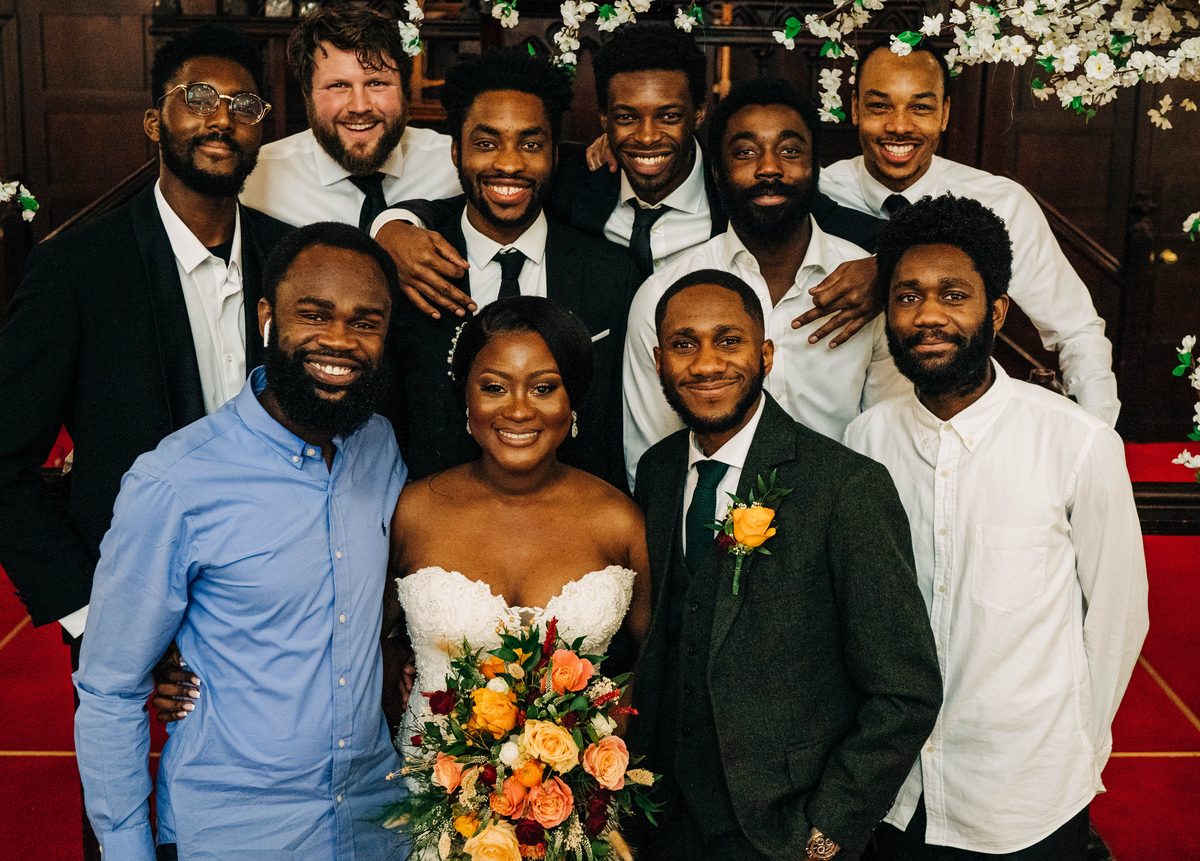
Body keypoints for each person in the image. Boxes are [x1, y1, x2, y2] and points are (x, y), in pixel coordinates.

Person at [0, 26, 289, 855]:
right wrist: (99, 620)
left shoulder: (288, 257)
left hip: (269, 613)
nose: (221, 118)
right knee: (127, 827)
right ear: (154, 122)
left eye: (243, 104)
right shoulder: (78, 269)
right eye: (198, 98)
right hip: (129, 608)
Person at [74, 222, 407, 860]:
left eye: (365, 322)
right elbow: (111, 688)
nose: (340, 340)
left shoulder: (380, 448)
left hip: (378, 821)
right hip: (237, 831)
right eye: (314, 315)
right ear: (266, 318)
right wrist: (126, 849)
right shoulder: (176, 481)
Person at [843, 194, 1148, 859]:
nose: (928, 315)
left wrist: (1073, 747)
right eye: (907, 296)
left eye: (954, 295)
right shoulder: (865, 441)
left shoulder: (1077, 443)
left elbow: (1119, 617)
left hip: (1026, 796)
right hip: (896, 792)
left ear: (998, 311)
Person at [630, 269, 942, 860]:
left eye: (729, 340)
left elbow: (905, 691)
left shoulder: (846, 486)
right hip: (664, 822)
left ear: (766, 355)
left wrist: (829, 831)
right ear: (659, 362)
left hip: (784, 831)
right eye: (683, 344)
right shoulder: (658, 471)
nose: (706, 363)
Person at [385, 24, 882, 330]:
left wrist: (884, 266)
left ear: (699, 112)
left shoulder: (743, 185)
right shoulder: (574, 180)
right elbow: (468, 200)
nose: (646, 137)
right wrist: (391, 229)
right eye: (626, 117)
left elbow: (864, 230)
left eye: (668, 116)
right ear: (603, 119)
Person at [388, 294, 651, 768]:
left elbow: (660, 658)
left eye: (544, 388)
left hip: (573, 802)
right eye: (494, 387)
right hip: (422, 795)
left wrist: (600, 751)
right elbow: (357, 638)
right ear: (466, 396)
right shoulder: (412, 511)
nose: (518, 410)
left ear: (573, 399)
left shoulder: (619, 520)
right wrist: (394, 665)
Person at [622, 77, 908, 488]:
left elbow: (888, 437)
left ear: (816, 167)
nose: (769, 168)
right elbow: (654, 459)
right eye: (746, 152)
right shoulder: (665, 294)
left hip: (844, 512)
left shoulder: (867, 286)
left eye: (790, 151)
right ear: (717, 171)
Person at [820, 39, 1120, 425]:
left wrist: (1099, 434)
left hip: (961, 436)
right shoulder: (816, 194)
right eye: (880, 106)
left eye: (921, 108)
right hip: (834, 436)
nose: (899, 126)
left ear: (944, 113)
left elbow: (1076, 331)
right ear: (855, 108)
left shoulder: (1001, 203)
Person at [388, 48, 640, 489]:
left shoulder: (613, 275)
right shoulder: (411, 266)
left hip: (576, 513)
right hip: (435, 511)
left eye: (530, 144)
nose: (509, 164)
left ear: (555, 155)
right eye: (486, 144)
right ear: (456, 152)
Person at [239, 5, 459, 234]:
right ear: (307, 94)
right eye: (338, 86)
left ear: (404, 90)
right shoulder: (256, 179)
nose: (359, 106)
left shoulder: (452, 166)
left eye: (376, 83)